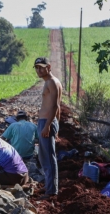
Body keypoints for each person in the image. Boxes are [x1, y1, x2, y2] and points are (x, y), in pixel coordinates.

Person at [34, 57, 62, 199]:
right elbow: (57, 108)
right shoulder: (50, 82)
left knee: (49, 158)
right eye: (37, 67)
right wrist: (56, 125)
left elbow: (55, 106)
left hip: (47, 122)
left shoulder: (52, 82)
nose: (39, 70)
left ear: (48, 67)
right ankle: (49, 185)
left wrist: (48, 125)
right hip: (46, 122)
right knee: (44, 156)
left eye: (41, 67)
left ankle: (51, 191)